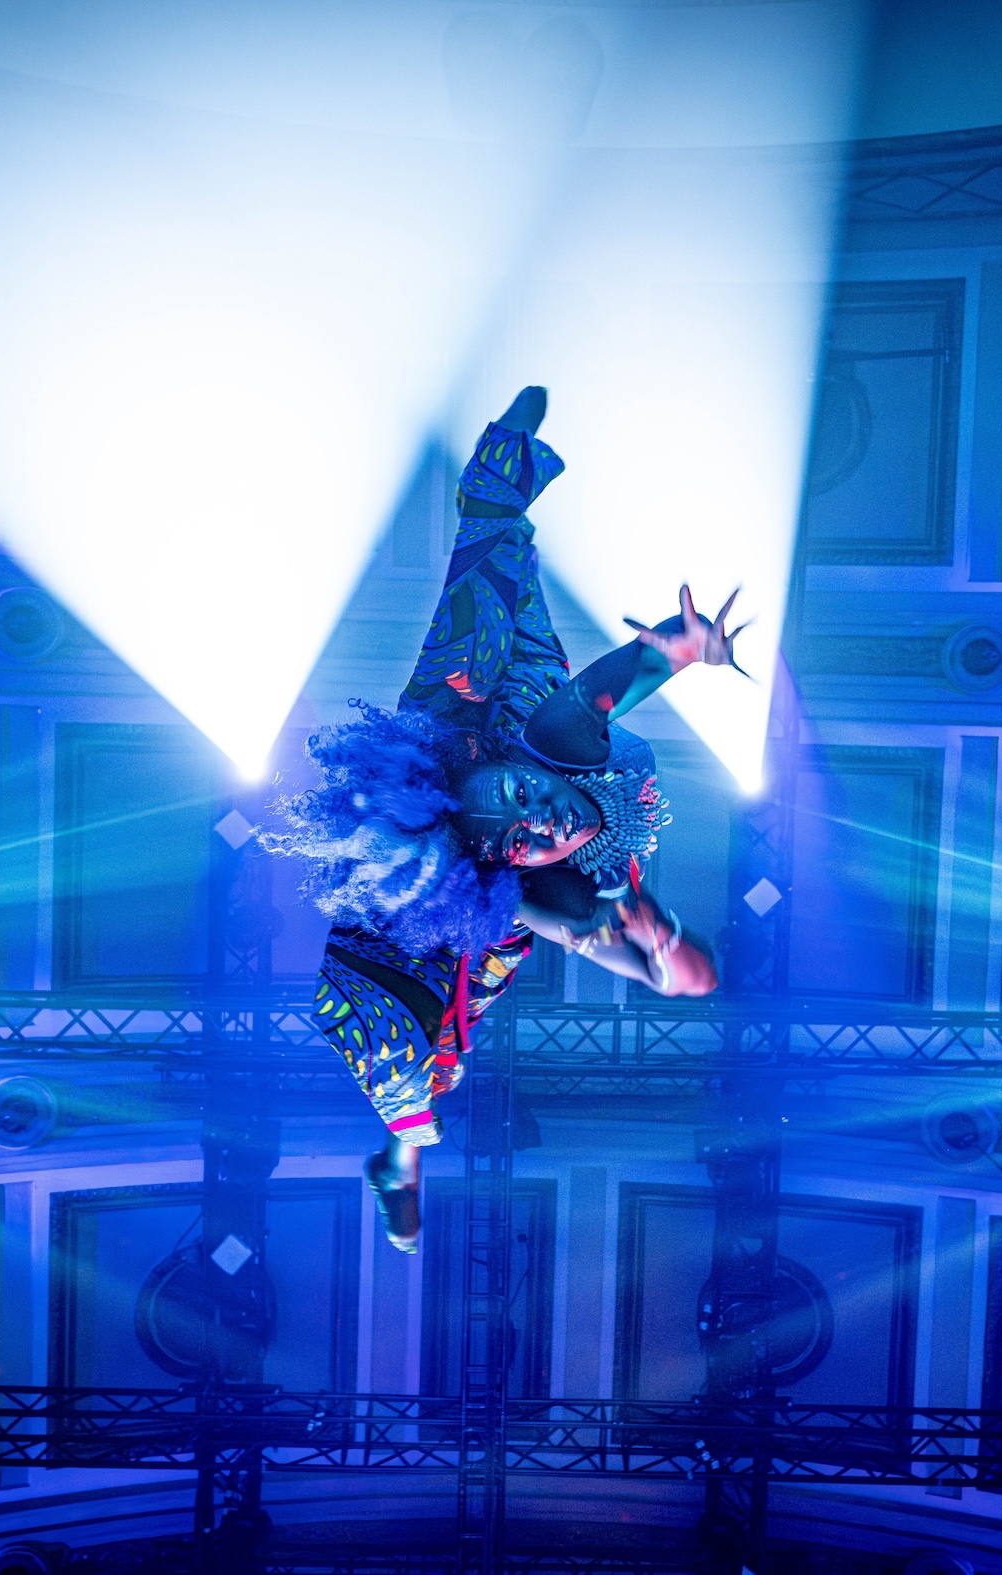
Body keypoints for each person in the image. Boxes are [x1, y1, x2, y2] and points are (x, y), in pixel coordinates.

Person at [268, 386, 736, 1251]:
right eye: (525, 840)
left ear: (503, 772)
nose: (546, 823)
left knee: (483, 643)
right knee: (409, 1065)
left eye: (526, 806)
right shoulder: (547, 888)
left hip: (480, 730)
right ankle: (400, 1161)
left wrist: (682, 643)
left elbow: (609, 681)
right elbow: (685, 981)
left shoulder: (540, 740)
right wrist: (662, 940)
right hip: (440, 922)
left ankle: (494, 492)